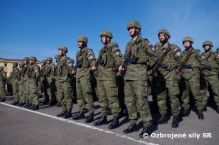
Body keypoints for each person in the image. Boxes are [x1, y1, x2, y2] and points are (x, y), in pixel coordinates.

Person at [118, 20, 156, 138]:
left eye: (132, 28)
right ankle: (133, 123)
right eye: (128, 28)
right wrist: (122, 65)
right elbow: (125, 58)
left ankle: (147, 124)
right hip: (128, 76)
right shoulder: (128, 44)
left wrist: (140, 61)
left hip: (139, 76)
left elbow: (154, 57)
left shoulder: (144, 42)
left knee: (141, 101)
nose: (129, 30)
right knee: (129, 101)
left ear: (138, 29)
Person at [93, 30, 122, 129]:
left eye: (104, 37)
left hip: (109, 77)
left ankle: (115, 118)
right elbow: (97, 63)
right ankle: (104, 117)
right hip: (100, 77)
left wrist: (111, 70)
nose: (103, 38)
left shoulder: (113, 47)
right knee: (102, 98)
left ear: (109, 37)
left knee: (112, 97)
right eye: (101, 37)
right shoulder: (102, 50)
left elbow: (119, 60)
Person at [72, 36, 96, 123]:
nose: (78, 43)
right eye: (78, 41)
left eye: (80, 42)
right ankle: (82, 111)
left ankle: (91, 114)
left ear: (84, 42)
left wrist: (88, 70)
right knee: (79, 95)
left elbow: (93, 63)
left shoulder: (88, 51)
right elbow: (77, 64)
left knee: (87, 95)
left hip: (85, 76)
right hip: (78, 75)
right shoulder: (78, 52)